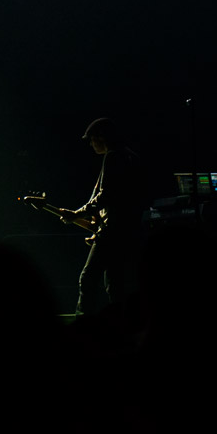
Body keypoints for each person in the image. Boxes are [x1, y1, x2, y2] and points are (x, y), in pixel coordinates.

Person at [54, 118, 148, 316]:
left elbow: (106, 195)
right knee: (115, 282)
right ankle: (122, 325)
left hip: (113, 230)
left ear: (101, 137)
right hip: (129, 229)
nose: (91, 144)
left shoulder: (113, 157)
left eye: (92, 139)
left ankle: (84, 324)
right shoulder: (131, 156)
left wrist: (78, 214)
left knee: (88, 278)